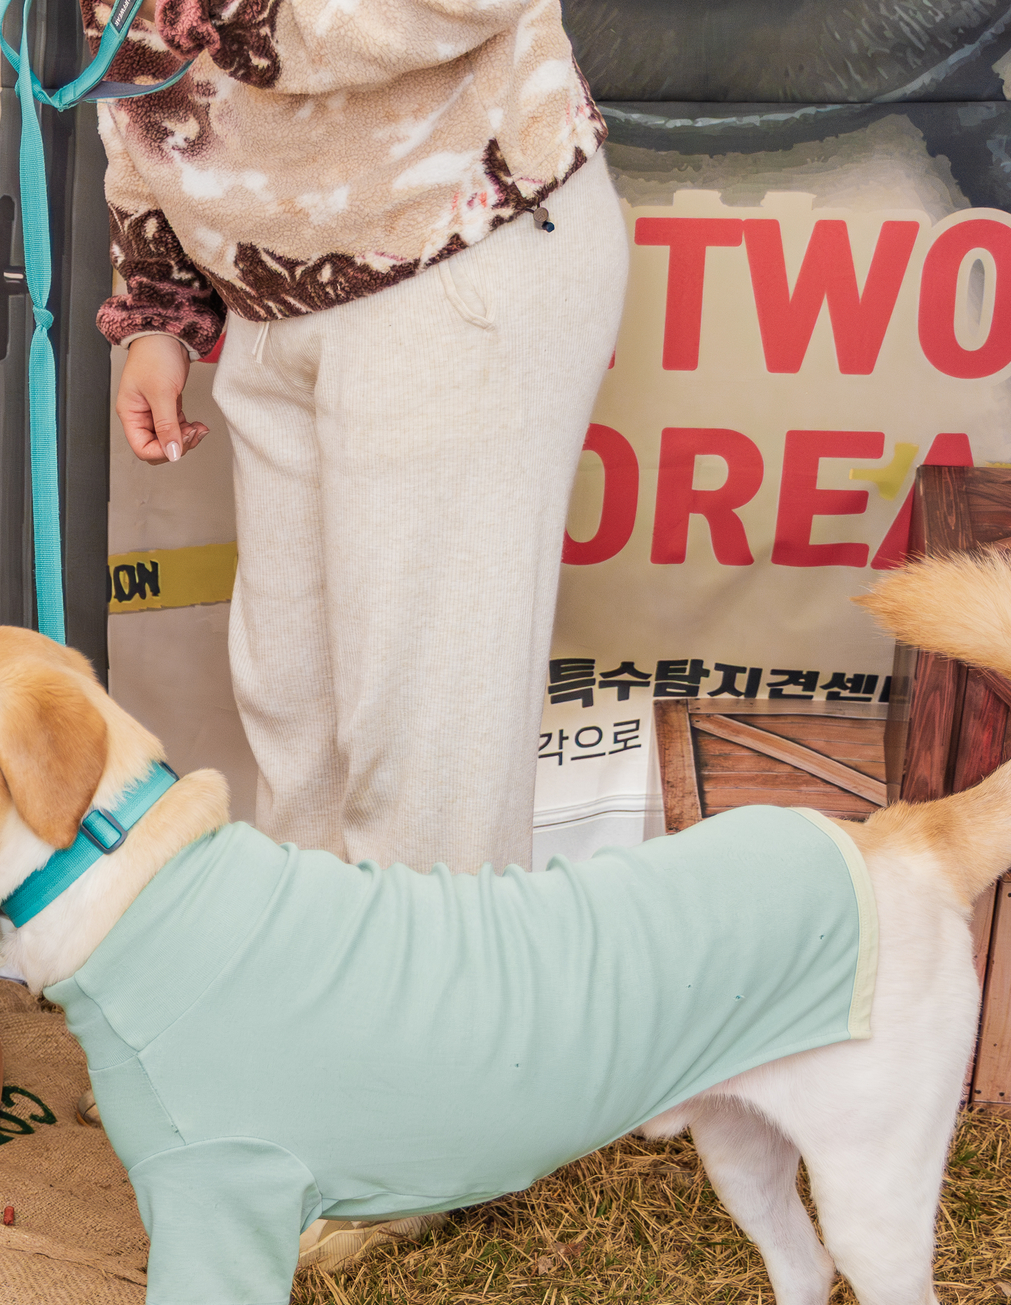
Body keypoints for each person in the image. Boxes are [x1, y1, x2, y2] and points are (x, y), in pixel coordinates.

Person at [99, 0, 625, 876]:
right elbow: (136, 57)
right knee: (293, 716)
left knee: (424, 744)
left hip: (452, 240)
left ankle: (437, 970)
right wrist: (160, 304)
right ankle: (324, 962)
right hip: (272, 290)